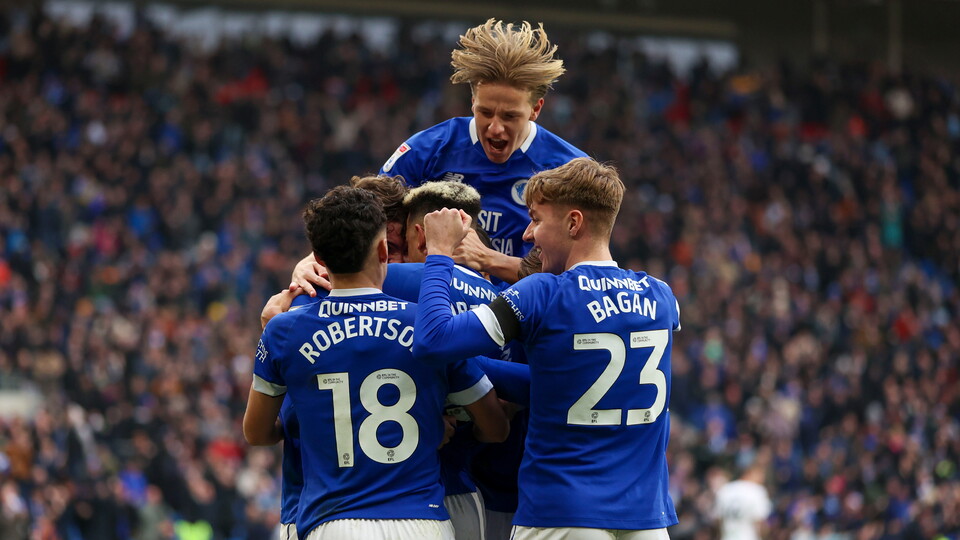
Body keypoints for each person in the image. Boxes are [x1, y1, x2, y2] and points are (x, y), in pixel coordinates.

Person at [412, 157, 681, 539]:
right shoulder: (663, 297)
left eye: (537, 219)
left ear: (573, 223)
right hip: (646, 521)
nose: (527, 234)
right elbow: (561, 379)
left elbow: (434, 338)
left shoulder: (542, 294)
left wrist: (438, 252)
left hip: (561, 515)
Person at [243, 185, 509, 540]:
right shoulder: (426, 325)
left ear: (317, 260)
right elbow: (496, 428)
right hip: (424, 519)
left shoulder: (284, 329)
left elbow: (257, 433)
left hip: (331, 520)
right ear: (384, 249)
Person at [713, 466, 772, 540]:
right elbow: (761, 522)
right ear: (750, 472)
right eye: (760, 474)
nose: (763, 479)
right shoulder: (757, 490)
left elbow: (718, 520)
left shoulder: (725, 489)